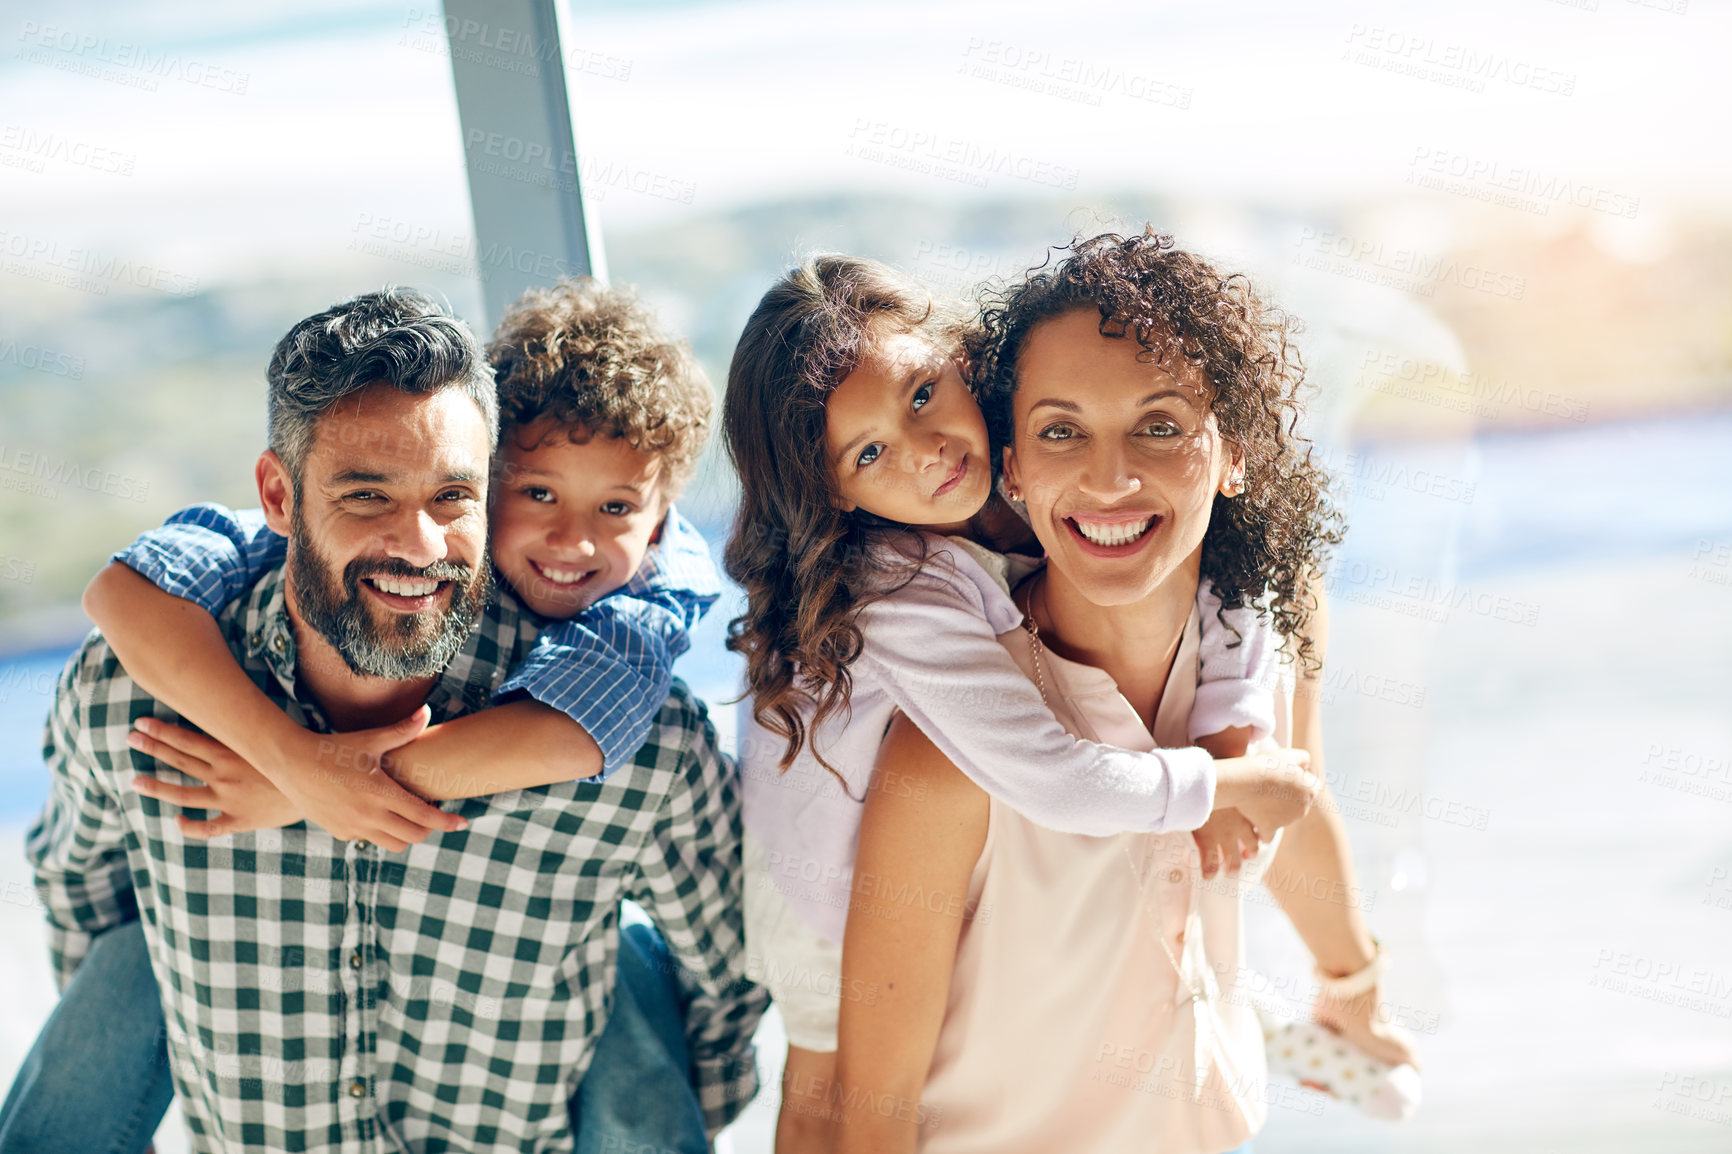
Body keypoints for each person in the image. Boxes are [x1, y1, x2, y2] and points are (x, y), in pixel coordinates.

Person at [9, 287, 764, 1153]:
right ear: (279, 497)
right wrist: (293, 761)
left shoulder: (643, 740)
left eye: (452, 496)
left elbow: (725, 981)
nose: (418, 543)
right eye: (367, 496)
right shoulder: (132, 701)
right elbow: (88, 919)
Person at [833, 230, 1418, 1153]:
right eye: (1062, 431)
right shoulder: (952, 752)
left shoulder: (1273, 630)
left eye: (1159, 426)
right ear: (1014, 466)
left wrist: (1353, 986)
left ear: (1236, 453)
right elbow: (871, 1113)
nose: (1111, 479)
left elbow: (1292, 802)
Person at [720, 255, 1322, 1151]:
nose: (926, 452)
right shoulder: (899, 591)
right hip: (813, 887)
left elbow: (1256, 604)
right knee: (820, 1086)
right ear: (834, 495)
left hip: (1194, 1117)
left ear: (966, 367)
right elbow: (1056, 781)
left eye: (924, 395)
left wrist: (1352, 977)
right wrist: (1214, 780)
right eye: (871, 452)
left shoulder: (1012, 534)